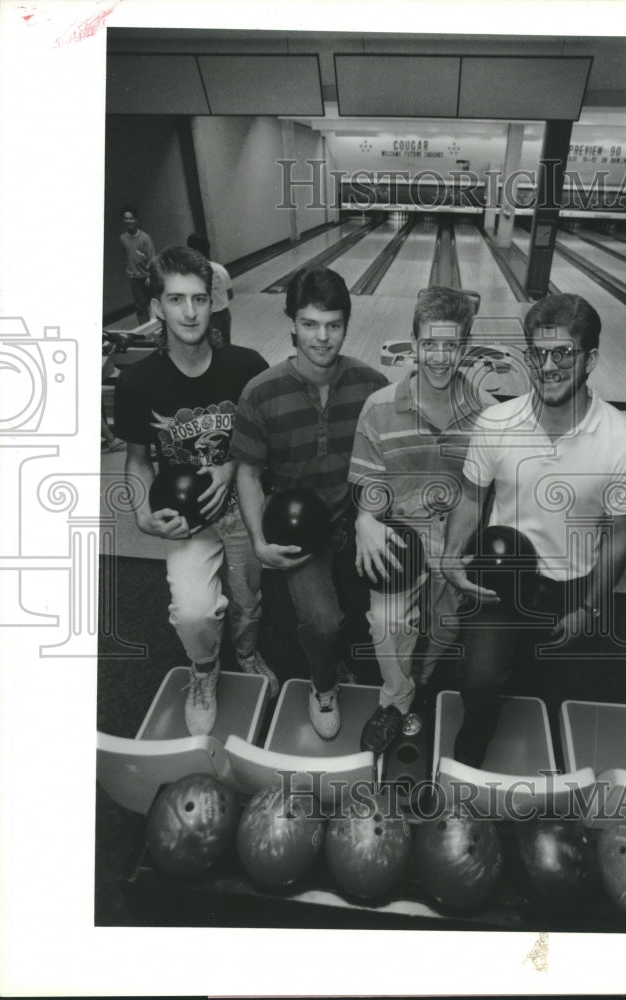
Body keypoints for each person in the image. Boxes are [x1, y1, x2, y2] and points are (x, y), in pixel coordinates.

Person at [441, 293, 626, 768]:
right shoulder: (497, 422)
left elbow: (620, 536)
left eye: (563, 354)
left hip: (570, 588)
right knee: (479, 684)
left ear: (591, 359)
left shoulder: (624, 444)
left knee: (561, 700)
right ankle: (471, 752)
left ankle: (549, 787)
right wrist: (453, 556)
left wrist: (589, 606)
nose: (548, 366)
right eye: (538, 354)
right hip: (499, 578)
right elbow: (472, 498)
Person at [113, 245, 277, 737]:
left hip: (246, 511)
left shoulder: (247, 366)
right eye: (177, 299)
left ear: (215, 302)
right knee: (193, 610)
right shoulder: (138, 383)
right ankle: (204, 669)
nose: (189, 312)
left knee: (248, 602)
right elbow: (138, 461)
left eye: (200, 299)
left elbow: (268, 446)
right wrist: (142, 515)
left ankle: (246, 652)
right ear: (156, 308)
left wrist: (230, 465)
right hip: (188, 521)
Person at [231, 267, 388, 740]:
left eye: (333, 325)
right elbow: (249, 472)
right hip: (301, 534)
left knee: (386, 613)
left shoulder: (371, 384)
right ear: (292, 324)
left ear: (346, 324)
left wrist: (371, 516)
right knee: (323, 621)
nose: (322, 337)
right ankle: (323, 684)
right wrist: (258, 539)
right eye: (310, 324)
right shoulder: (261, 392)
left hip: (359, 520)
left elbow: (384, 463)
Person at [348, 287, 495, 754]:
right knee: (386, 621)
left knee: (446, 622)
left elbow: (495, 493)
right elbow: (369, 487)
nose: (438, 357)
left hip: (460, 539)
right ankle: (397, 696)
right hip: (401, 536)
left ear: (465, 348)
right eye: (429, 344)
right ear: (412, 344)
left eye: (450, 345)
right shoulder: (379, 407)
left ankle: (425, 678)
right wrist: (364, 520)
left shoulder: (489, 416)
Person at [186, 234, 234, 344]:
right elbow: (230, 295)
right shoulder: (220, 268)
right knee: (226, 347)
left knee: (210, 350)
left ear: (193, 251)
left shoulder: (193, 273)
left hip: (209, 318)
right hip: (225, 315)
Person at [119, 206, 155, 325]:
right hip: (134, 277)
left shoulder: (145, 238)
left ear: (136, 220)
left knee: (154, 303)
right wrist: (130, 272)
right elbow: (127, 256)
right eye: (126, 219)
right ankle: (145, 331)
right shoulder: (123, 238)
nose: (128, 221)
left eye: (131, 218)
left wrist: (150, 276)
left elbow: (151, 258)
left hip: (147, 277)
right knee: (140, 306)